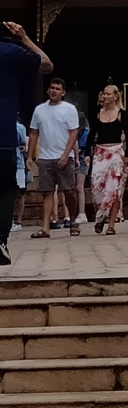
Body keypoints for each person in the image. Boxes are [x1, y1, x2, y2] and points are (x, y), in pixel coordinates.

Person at [0, 22, 51, 261]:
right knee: (6, 189)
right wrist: (24, 38)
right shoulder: (11, 52)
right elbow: (47, 64)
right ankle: (1, 240)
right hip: (4, 136)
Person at [28, 78, 80, 240]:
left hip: (64, 156)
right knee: (47, 192)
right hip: (45, 156)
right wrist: (30, 156)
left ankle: (73, 220)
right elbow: (34, 132)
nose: (54, 91)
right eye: (52, 88)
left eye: (58, 88)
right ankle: (45, 227)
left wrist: (66, 154)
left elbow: (73, 132)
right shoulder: (39, 110)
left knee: (69, 191)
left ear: (63, 92)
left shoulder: (69, 109)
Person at [88, 84, 128, 235]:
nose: (105, 96)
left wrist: (127, 154)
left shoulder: (121, 114)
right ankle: (101, 215)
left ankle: (112, 224)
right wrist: (87, 153)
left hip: (116, 152)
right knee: (97, 187)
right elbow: (91, 134)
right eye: (104, 94)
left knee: (114, 189)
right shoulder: (97, 113)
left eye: (108, 94)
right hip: (100, 152)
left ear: (115, 96)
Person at [11, 120, 27, 232]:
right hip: (7, 163)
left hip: (18, 163)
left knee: (20, 192)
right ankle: (10, 220)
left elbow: (23, 144)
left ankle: (18, 221)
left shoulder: (19, 127)